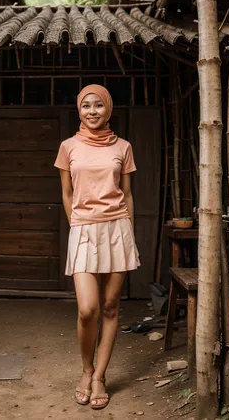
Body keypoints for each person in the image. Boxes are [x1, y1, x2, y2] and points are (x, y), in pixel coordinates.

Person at [54, 84, 140, 410]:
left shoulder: (124, 147)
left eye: (98, 106)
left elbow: (127, 193)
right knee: (87, 308)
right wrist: (76, 224)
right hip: (83, 230)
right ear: (79, 110)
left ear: (108, 109)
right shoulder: (68, 147)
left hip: (118, 228)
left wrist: (128, 233)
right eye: (86, 106)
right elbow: (66, 192)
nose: (93, 111)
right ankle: (86, 369)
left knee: (109, 307)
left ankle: (100, 376)